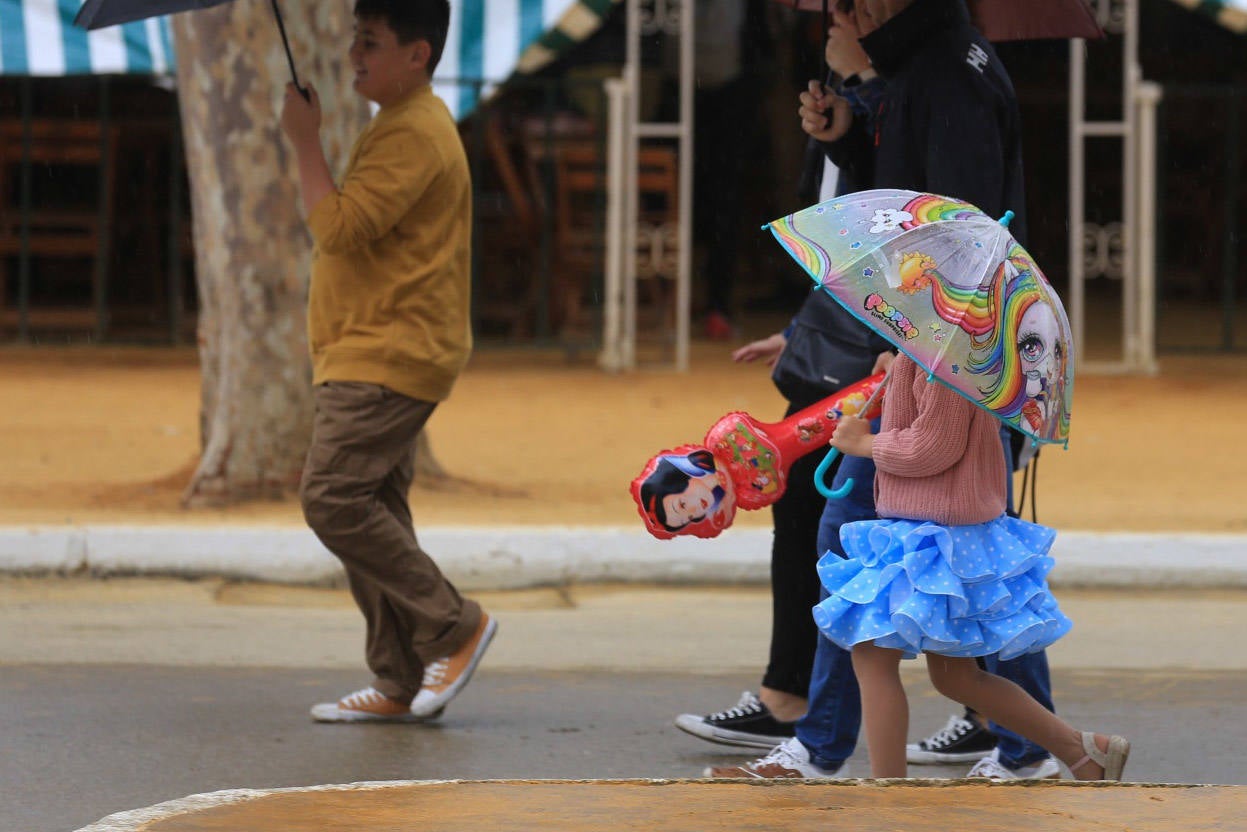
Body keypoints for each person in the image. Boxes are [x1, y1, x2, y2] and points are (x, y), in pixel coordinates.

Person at [706, 0, 1060, 780]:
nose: (841, 11)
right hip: (922, 352)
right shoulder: (924, 71)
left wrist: (888, 385)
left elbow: (952, 231)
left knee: (865, 546)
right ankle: (1034, 746)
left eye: (852, 1)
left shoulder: (944, 77)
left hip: (934, 359)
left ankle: (830, 746)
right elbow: (899, 211)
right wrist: (851, 122)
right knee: (970, 566)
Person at [672, 5, 892, 750]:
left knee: (910, 532)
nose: (832, 22)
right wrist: (802, 329)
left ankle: (996, 717)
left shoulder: (910, 93)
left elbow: (902, 235)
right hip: (836, 344)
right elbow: (838, 249)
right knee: (804, 520)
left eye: (847, 11)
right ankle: (790, 695)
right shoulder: (843, 98)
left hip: (887, 356)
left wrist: (868, 88)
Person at [280, 0, 496, 723]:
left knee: (333, 500)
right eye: (355, 39)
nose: (354, 56)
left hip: (387, 353)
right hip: (372, 347)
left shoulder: (413, 132)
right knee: (374, 507)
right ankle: (399, 675)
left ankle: (454, 627)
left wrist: (303, 142)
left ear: (418, 53)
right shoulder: (400, 123)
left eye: (369, 42)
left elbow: (340, 229)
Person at [814, 350, 1130, 781]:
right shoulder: (936, 349)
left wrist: (866, 444)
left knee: (872, 656)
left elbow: (934, 446)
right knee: (954, 677)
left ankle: (888, 791)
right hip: (939, 529)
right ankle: (1083, 751)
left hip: (935, 533)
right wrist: (900, 369)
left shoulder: (947, 356)